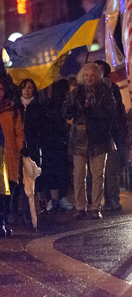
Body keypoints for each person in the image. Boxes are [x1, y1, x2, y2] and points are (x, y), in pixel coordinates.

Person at [63, 63, 116, 220]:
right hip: (79, 138)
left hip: (98, 137)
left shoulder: (105, 91)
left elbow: (110, 111)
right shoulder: (77, 92)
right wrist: (70, 109)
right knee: (78, 174)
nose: (89, 78)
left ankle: (95, 207)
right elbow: (65, 109)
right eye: (86, 75)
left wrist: (93, 111)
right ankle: (81, 207)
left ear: (97, 76)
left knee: (98, 174)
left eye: (92, 75)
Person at [15, 79, 53, 214]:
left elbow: (46, 129)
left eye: (30, 88)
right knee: (18, 178)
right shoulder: (15, 107)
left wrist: (38, 143)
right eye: (24, 87)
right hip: (17, 148)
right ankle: (19, 209)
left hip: (33, 147)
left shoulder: (38, 108)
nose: (27, 90)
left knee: (33, 177)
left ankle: (35, 205)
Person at [94, 60, 128, 212]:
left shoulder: (112, 88)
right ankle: (94, 202)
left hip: (112, 132)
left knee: (111, 169)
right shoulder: (87, 90)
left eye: (102, 69)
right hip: (94, 134)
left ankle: (113, 199)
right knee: (95, 172)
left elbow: (118, 110)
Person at [0, 78, 25, 236]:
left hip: (8, 154)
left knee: (6, 189)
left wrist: (21, 149)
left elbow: (18, 133)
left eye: (1, 89)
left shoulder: (12, 109)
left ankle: (3, 220)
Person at [43, 79, 73, 212]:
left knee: (58, 171)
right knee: (56, 171)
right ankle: (56, 199)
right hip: (53, 142)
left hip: (57, 142)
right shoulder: (52, 105)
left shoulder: (61, 105)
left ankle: (57, 199)